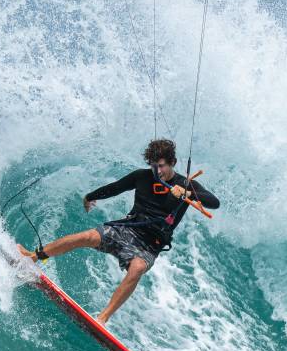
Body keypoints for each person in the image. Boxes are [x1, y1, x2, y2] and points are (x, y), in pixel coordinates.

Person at [17, 138, 220, 324]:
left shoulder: (186, 185)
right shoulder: (142, 176)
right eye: (153, 166)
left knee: (137, 268)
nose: (157, 171)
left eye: (161, 166)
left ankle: (102, 319)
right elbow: (115, 187)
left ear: (172, 162)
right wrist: (90, 196)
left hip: (150, 244)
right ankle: (34, 257)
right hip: (126, 228)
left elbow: (214, 202)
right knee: (87, 236)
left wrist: (187, 193)